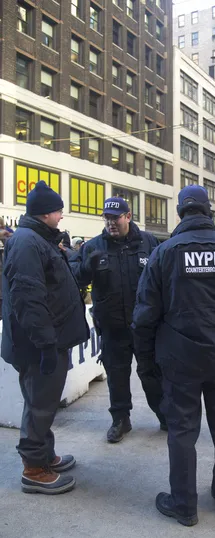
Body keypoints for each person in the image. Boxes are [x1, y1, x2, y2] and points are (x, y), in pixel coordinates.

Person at [132, 185, 215, 526]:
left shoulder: (164, 253)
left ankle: (185, 506)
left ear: (180, 213)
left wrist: (146, 360)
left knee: (182, 431)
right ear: (209, 212)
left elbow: (145, 315)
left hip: (181, 360)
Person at [1, 181, 89, 494]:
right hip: (38, 346)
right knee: (40, 404)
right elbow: (28, 298)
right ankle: (34, 469)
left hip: (46, 341)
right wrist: (46, 344)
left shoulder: (39, 238)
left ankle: (44, 455)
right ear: (45, 213)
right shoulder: (28, 242)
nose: (61, 216)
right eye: (58, 210)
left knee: (43, 402)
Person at [70, 197, 166, 442]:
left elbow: (163, 280)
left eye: (116, 217)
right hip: (112, 326)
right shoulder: (92, 247)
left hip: (144, 326)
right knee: (116, 375)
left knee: (151, 374)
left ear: (128, 216)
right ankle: (120, 420)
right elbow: (76, 281)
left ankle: (165, 415)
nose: (111, 222)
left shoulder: (148, 243)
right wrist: (85, 269)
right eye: (108, 218)